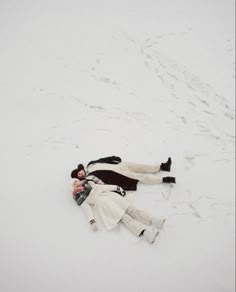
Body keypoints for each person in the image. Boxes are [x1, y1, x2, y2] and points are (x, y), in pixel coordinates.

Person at [70, 178, 166, 244]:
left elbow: (104, 187)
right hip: (105, 206)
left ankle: (154, 221)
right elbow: (87, 210)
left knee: (132, 209)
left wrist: (116, 187)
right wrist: (92, 221)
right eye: (74, 184)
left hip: (111, 197)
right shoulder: (80, 197)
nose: (77, 183)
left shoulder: (89, 184)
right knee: (126, 218)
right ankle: (146, 233)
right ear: (73, 188)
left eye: (76, 181)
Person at [70, 155, 176, 191]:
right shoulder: (89, 179)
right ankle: (164, 180)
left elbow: (102, 159)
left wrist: (112, 158)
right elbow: (97, 186)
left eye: (78, 173)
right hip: (119, 176)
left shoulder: (90, 165)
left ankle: (162, 167)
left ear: (80, 169)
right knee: (140, 177)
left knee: (139, 166)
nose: (80, 175)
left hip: (119, 166)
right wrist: (80, 184)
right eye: (78, 176)